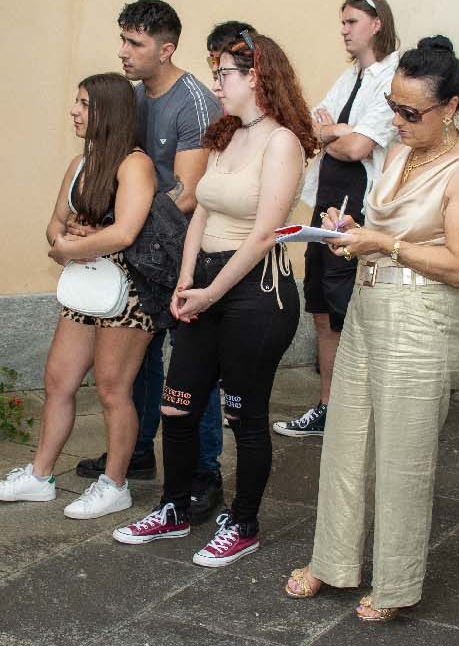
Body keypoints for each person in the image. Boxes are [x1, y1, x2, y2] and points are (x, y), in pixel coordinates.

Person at [283, 36, 459, 622]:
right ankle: (333, 561)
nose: (397, 122)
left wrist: (385, 243)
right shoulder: (400, 155)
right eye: (393, 107)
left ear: (450, 107)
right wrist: (348, 227)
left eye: (411, 112)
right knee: (346, 443)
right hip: (371, 309)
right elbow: (385, 228)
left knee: (404, 456)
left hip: (423, 318)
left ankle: (398, 584)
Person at [112, 30, 315, 567]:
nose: (216, 83)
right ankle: (175, 507)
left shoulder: (283, 142)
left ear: (256, 78)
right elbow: (201, 209)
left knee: (242, 416)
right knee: (176, 406)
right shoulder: (226, 135)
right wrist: (184, 283)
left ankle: (243, 523)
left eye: (224, 73)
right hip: (201, 282)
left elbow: (266, 233)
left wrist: (211, 292)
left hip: (254, 292)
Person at [75, 0, 228, 524]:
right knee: (138, 360)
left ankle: (206, 473)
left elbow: (187, 193)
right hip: (138, 251)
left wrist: (120, 227)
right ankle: (136, 452)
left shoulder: (195, 103)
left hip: (185, 254)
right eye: (122, 39)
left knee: (192, 367)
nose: (123, 52)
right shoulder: (134, 97)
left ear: (166, 49)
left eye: (135, 43)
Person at [0, 74, 156, 518]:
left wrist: (71, 246)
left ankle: (116, 483)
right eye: (75, 103)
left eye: (83, 104)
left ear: (108, 112)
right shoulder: (80, 164)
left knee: (114, 389)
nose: (73, 112)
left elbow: (125, 231)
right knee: (58, 381)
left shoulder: (135, 165)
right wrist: (68, 240)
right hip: (84, 288)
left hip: (127, 295)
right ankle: (40, 476)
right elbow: (54, 223)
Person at [274, 0, 399, 439]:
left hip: (358, 212)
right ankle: (328, 407)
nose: (343, 30)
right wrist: (334, 131)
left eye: (351, 22)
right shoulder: (349, 78)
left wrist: (338, 133)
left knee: (351, 315)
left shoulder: (391, 78)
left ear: (376, 24)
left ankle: (356, 412)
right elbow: (314, 127)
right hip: (324, 207)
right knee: (324, 315)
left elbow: (359, 147)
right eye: (342, 22)